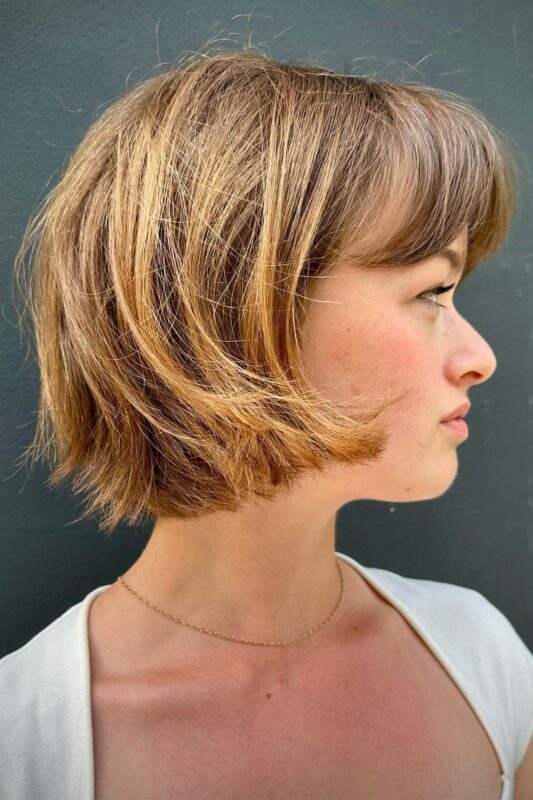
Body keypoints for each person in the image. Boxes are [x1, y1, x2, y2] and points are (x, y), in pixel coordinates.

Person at [1, 48, 532, 799]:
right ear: (235, 313)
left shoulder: (480, 657)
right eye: (431, 291)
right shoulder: (23, 745)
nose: (478, 358)